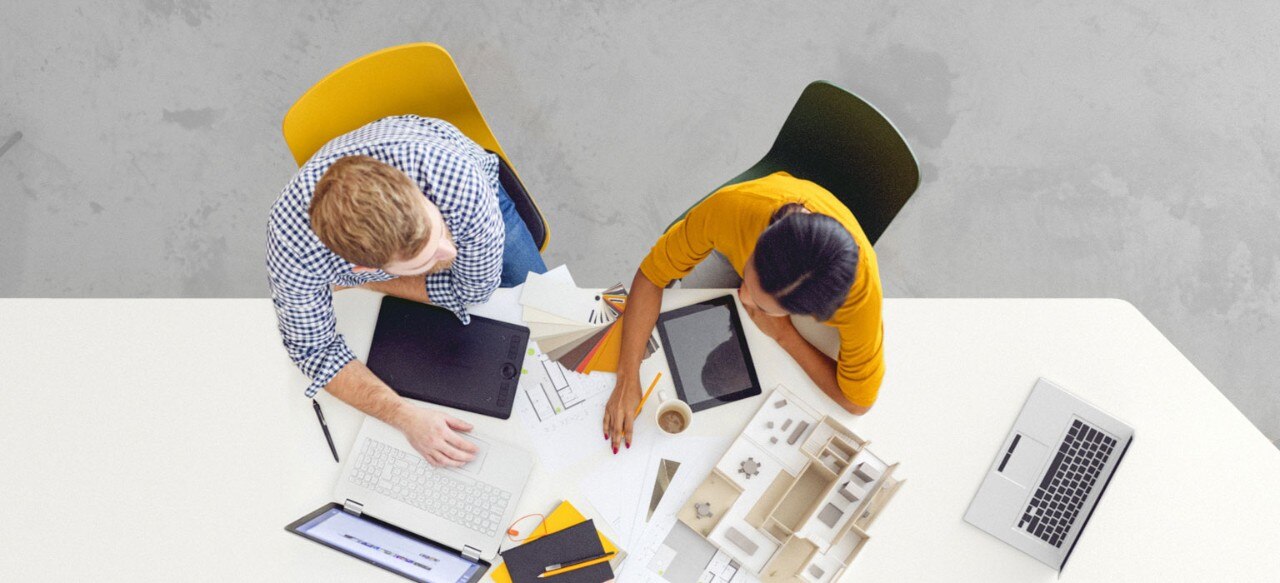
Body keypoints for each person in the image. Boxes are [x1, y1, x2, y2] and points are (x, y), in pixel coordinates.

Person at [267, 115, 546, 467]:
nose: (451, 251)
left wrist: (368, 283)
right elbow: (316, 354)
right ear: (365, 267)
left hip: (472, 181)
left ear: (412, 189)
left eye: (438, 229)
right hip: (357, 263)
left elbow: (475, 289)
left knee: (546, 311)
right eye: (425, 259)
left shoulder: (455, 181)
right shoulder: (292, 252)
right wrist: (406, 417)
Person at [602, 171, 884, 453]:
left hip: (805, 311)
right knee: (682, 323)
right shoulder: (733, 207)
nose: (742, 296)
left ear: (812, 313)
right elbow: (653, 275)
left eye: (761, 305)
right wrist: (627, 375)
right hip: (746, 221)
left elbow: (857, 402)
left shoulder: (859, 299)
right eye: (748, 276)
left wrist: (784, 334)